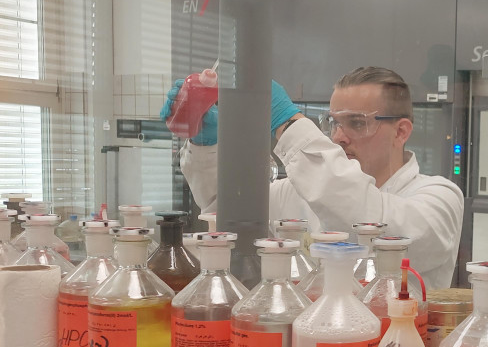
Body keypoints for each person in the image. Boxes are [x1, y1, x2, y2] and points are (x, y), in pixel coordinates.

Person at [163, 67, 464, 291]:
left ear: (401, 132)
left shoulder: (439, 198)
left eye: (357, 123)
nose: (338, 137)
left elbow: (372, 223)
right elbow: (225, 211)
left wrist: (288, 122)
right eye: (333, 122)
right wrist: (205, 145)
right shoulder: (297, 191)